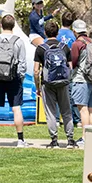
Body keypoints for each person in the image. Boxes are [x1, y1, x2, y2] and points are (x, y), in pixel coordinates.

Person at [0, 14, 27, 147]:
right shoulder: (18, 41)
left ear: (1, 25)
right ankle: (20, 140)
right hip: (14, 78)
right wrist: (21, 77)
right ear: (13, 26)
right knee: (16, 109)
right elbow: (22, 63)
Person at [34, 19, 76, 149]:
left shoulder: (41, 49)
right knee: (66, 111)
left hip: (48, 84)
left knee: (51, 112)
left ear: (45, 33)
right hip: (63, 83)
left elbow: (36, 71)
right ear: (57, 33)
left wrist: (38, 87)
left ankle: (54, 140)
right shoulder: (64, 47)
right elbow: (70, 67)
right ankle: (70, 140)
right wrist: (68, 80)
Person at [70, 19, 92, 148]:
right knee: (91, 108)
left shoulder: (77, 44)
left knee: (83, 109)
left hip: (81, 79)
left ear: (74, 31)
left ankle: (85, 138)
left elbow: (73, 62)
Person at [55, 12, 80, 127]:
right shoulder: (74, 36)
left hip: (56, 67)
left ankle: (56, 119)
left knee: (55, 94)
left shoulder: (57, 33)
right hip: (69, 67)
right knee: (71, 94)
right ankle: (75, 119)